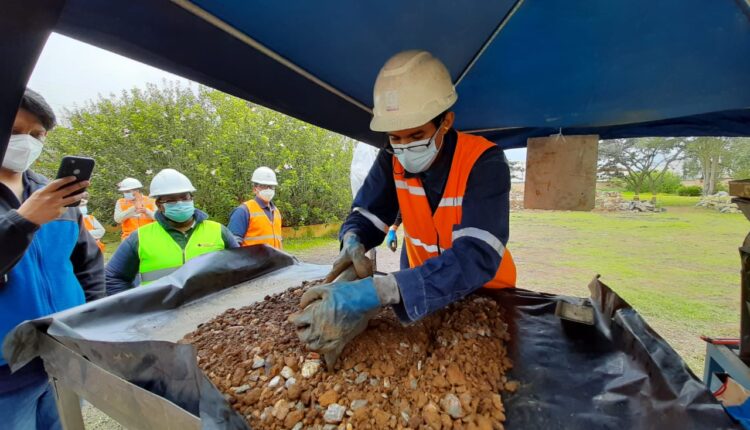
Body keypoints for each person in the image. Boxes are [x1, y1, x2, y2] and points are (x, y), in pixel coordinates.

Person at [291, 50, 517, 368]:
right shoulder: (392, 158)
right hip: (425, 293)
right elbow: (368, 212)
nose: (405, 147)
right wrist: (353, 239)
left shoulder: (484, 162)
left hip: (488, 293)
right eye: (396, 137)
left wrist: (383, 290)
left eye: (417, 135)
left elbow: (476, 255)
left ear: (446, 122)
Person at [0, 88, 105, 428]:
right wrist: (24, 220)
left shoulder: (56, 196)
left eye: (36, 134)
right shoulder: (39, 205)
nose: (26, 142)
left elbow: (87, 264)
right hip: (5, 375)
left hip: (63, 357)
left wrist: (94, 319)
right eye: (16, 131)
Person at [106, 168, 238, 294]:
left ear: (192, 199)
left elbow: (241, 266)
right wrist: (133, 308)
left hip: (214, 311)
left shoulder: (218, 230)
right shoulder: (139, 238)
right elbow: (113, 277)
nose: (180, 203)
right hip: (161, 312)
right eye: (171, 200)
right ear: (159, 205)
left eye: (184, 198)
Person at [228, 166, 282, 249]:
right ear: (254, 189)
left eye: (271, 186)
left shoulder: (276, 212)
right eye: (264, 186)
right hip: (252, 262)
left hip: (275, 261)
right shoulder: (243, 211)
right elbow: (232, 244)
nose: (268, 189)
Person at [114, 177, 156, 241]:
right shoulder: (120, 202)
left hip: (149, 238)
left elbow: (158, 218)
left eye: (127, 191)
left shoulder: (151, 201)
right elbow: (117, 219)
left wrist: (147, 211)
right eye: (124, 192)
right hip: (128, 238)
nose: (125, 193)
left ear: (136, 190)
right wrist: (133, 209)